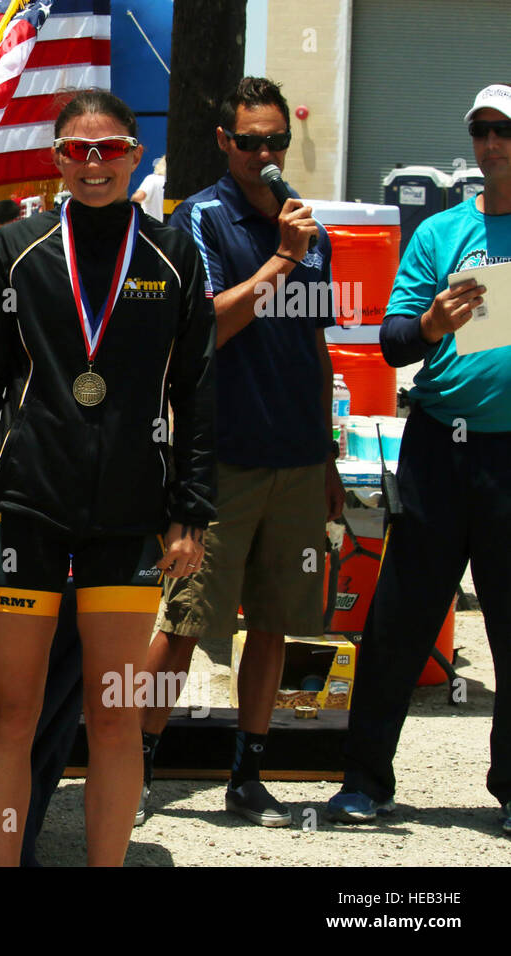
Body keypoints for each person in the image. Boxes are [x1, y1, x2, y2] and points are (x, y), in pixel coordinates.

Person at [0, 88, 216, 866]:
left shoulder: (174, 257)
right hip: (26, 505)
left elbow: (197, 392)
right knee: (12, 710)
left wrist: (190, 512)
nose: (93, 165)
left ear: (135, 155)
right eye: (77, 151)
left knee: (113, 715)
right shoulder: (16, 250)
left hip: (130, 513)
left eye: (109, 150)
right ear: (57, 159)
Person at [140, 77, 345, 828]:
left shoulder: (306, 228)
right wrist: (280, 262)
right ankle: (137, 763)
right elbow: (203, 330)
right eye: (250, 141)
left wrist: (325, 455)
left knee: (275, 621)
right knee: (186, 620)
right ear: (225, 143)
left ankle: (249, 772)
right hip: (220, 458)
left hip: (295, 457)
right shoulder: (198, 218)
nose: (265, 155)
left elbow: (317, 349)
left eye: (276, 142)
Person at [329, 83, 511, 833]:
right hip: (440, 446)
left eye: (505, 130)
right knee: (400, 621)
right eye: (482, 129)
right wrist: (433, 322)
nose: (493, 143)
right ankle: (365, 783)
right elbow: (392, 341)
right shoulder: (440, 234)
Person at [131, 156, 167, 222]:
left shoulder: (152, 179)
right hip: (166, 228)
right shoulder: (173, 183)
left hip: (150, 227)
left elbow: (137, 197)